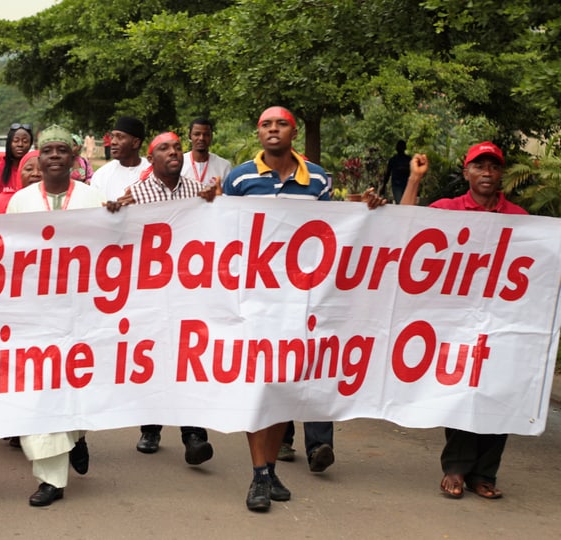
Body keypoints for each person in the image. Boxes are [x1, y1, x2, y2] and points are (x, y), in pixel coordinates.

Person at [222, 105, 384, 513]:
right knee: (257, 388)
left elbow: (330, 229)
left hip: (299, 300)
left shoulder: (318, 179)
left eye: (281, 124)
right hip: (253, 299)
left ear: (293, 132)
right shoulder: (239, 178)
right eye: (265, 124)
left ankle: (268, 468)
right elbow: (220, 234)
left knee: (281, 388)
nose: (273, 130)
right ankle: (260, 475)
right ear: (258, 133)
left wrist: (365, 211)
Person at [399, 141, 524, 501]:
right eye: (479, 166)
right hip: (455, 321)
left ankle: (484, 473)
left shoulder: (520, 219)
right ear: (466, 172)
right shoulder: (447, 210)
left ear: (501, 174)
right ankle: (456, 468)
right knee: (461, 389)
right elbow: (403, 226)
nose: (487, 173)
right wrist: (414, 180)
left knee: (498, 392)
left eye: (494, 167)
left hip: (502, 321)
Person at [6, 125, 106, 506]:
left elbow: (114, 246)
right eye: (46, 150)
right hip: (36, 313)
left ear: (74, 156)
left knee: (77, 382)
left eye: (61, 150)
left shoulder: (94, 197)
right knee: (40, 388)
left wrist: (116, 216)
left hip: (84, 310)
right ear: (38, 156)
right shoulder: (21, 201)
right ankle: (51, 478)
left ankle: (76, 436)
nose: (53, 156)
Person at [104, 132, 218, 465]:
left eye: (176, 148)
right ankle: (151, 428)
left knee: (189, 358)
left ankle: (194, 434)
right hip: (150, 291)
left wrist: (219, 202)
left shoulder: (199, 192)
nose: (173, 153)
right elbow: (119, 238)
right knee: (152, 358)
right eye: (164, 149)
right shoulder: (135, 195)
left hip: (190, 289)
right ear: (151, 159)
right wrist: (113, 215)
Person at [90, 116, 149, 201]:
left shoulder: (153, 173)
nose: (113, 142)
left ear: (135, 143)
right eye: (113, 136)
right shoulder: (101, 175)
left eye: (120, 137)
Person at [0, 149, 41, 215]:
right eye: (29, 169)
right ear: (19, 173)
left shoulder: (53, 201)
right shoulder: (2, 202)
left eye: (41, 169)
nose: (35, 174)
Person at [181, 118, 233, 188]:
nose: (201, 138)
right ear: (190, 136)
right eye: (197, 134)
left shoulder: (224, 166)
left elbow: (229, 195)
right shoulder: (180, 163)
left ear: (211, 137)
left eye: (206, 134)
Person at [0, 123, 34, 193]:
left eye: (25, 141)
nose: (20, 144)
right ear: (9, 143)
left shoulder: (36, 173)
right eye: (16, 141)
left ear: (30, 145)